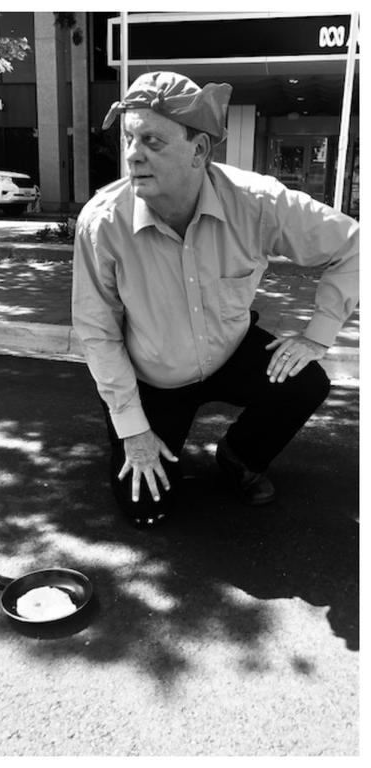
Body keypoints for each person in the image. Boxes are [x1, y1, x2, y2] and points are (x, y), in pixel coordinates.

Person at [72, 71, 358, 529]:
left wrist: (317, 335)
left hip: (229, 349)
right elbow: (96, 331)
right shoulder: (103, 223)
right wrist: (133, 430)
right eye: (129, 138)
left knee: (307, 381)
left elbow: (353, 244)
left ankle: (239, 455)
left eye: (152, 141)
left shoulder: (257, 203)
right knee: (147, 510)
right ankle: (146, 447)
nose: (132, 155)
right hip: (154, 375)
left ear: (199, 151)